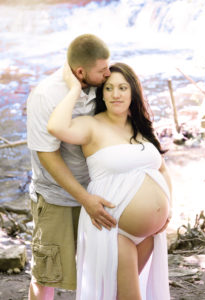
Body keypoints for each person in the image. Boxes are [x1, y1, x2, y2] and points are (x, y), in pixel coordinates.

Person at [48, 62, 173, 300]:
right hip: (114, 230)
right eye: (109, 88)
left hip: (149, 233)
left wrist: (168, 210)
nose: (116, 94)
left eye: (123, 88)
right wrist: (74, 88)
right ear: (101, 94)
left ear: (133, 92)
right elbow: (55, 126)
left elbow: (162, 169)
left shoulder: (140, 127)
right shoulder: (91, 126)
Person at [26, 34, 117, 300]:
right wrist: (84, 198)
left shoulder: (104, 84)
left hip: (99, 192)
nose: (108, 74)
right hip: (58, 198)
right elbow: (48, 156)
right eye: (102, 70)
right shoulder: (46, 95)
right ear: (80, 72)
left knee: (104, 269)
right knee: (46, 274)